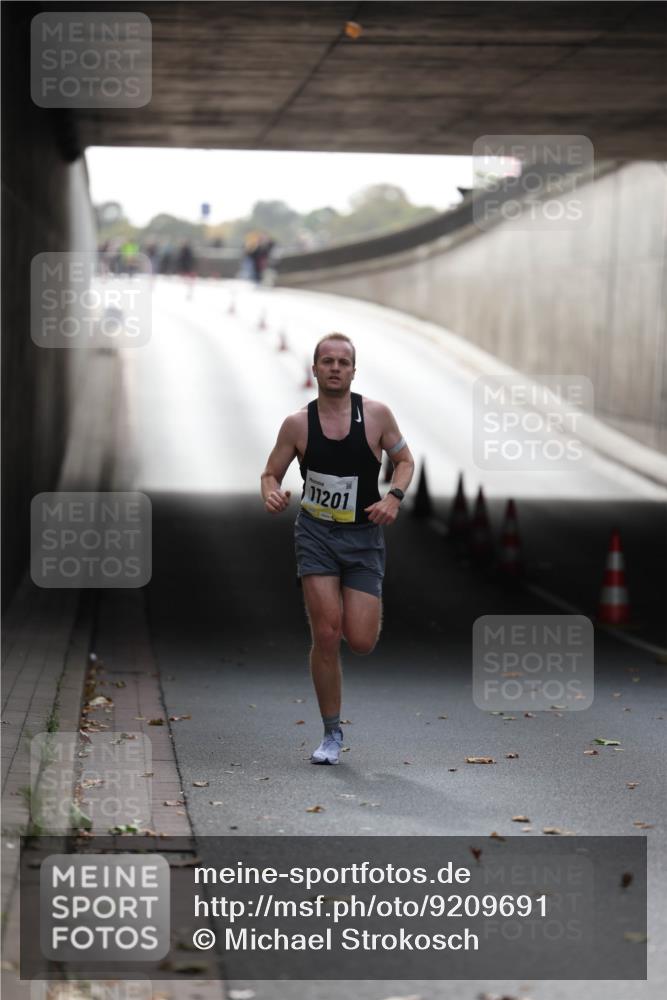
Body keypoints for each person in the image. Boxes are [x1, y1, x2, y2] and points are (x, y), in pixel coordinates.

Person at [260, 333, 414, 764]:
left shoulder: (377, 416)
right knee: (326, 635)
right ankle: (331, 733)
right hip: (316, 535)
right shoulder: (297, 425)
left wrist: (393, 497)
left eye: (343, 362)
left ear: (353, 371)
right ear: (314, 369)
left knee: (360, 640)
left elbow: (405, 461)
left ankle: (355, 607)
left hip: (363, 537)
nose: (334, 368)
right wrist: (270, 492)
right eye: (326, 361)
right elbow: (270, 473)